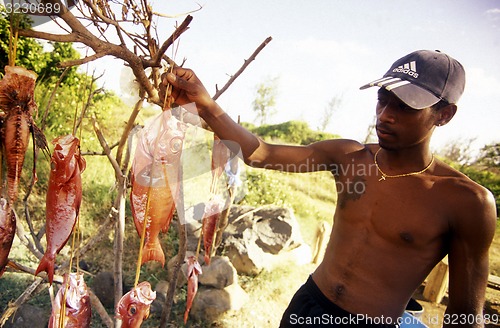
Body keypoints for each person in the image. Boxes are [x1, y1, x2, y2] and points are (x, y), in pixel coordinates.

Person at [162, 50, 497, 327]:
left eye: (405, 107)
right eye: (383, 100)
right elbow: (260, 153)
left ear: (444, 115)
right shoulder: (350, 157)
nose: (385, 115)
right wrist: (205, 104)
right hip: (308, 306)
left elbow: (465, 317)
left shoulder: (465, 202)